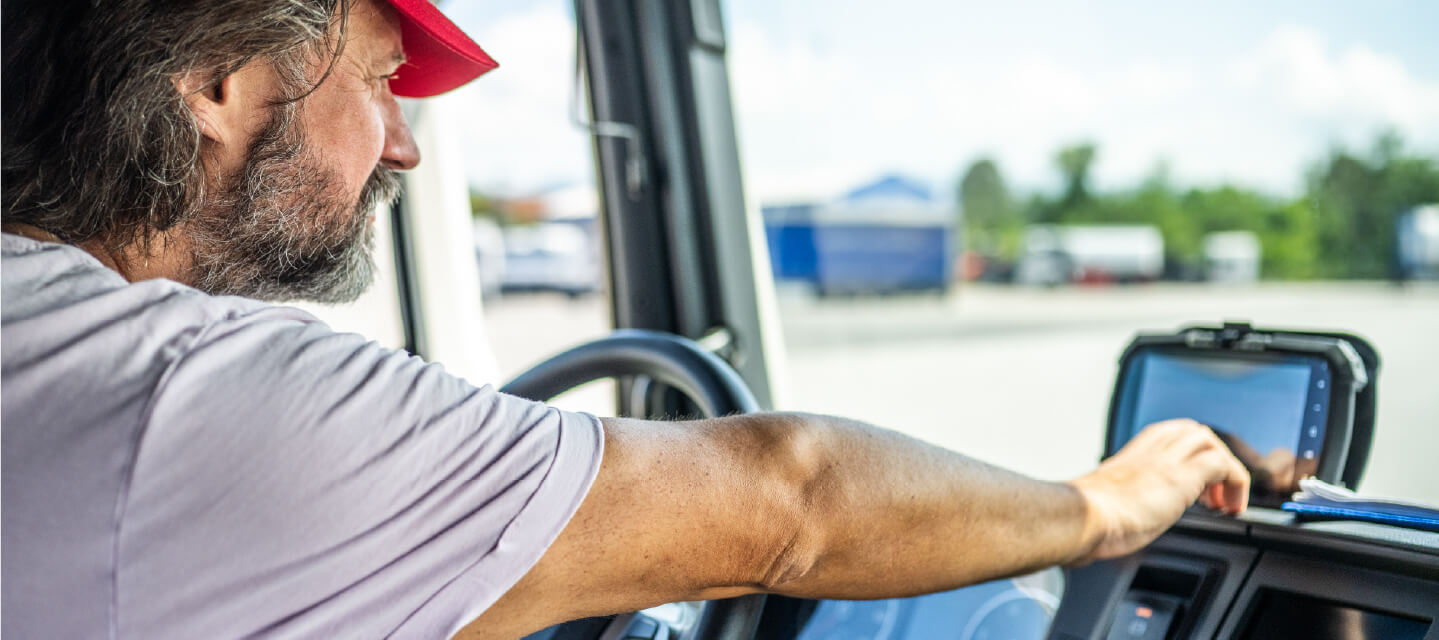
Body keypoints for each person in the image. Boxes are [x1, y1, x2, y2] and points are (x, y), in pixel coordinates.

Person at [0, 0, 1251, 638]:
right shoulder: (196, 403)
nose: (402, 146)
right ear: (219, 83)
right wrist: (1098, 506)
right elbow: (793, 500)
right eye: (382, 82)